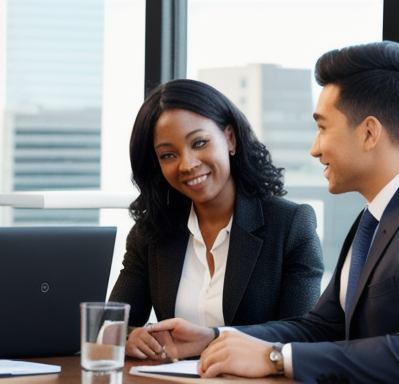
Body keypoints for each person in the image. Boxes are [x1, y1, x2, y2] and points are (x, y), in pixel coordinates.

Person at [148, 41, 399, 383]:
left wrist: (277, 357)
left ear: (369, 132)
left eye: (323, 127)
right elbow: (322, 326)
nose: (314, 148)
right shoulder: (369, 223)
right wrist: (215, 338)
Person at [108, 78, 324, 360]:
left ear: (230, 139)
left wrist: (215, 339)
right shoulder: (151, 232)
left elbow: (302, 333)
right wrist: (129, 337)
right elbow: (109, 326)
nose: (187, 164)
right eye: (168, 155)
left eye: (199, 143)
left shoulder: (291, 225)